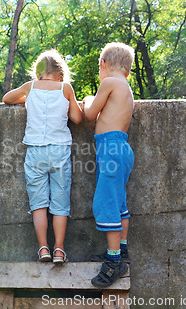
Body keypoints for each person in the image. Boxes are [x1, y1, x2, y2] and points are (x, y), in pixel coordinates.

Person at [2, 49, 83, 263]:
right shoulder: (66, 89)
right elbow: (77, 117)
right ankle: (59, 249)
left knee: (39, 204)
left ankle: (43, 249)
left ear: (38, 72)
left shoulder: (31, 87)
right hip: (60, 151)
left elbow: (7, 98)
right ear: (60, 73)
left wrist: (28, 97)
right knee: (60, 203)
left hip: (35, 151)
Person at [82, 42, 135, 287]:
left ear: (103, 64)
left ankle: (114, 262)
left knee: (106, 203)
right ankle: (121, 251)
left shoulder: (109, 83)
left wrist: (86, 99)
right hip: (122, 148)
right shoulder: (126, 87)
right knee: (119, 203)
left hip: (111, 149)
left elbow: (90, 113)